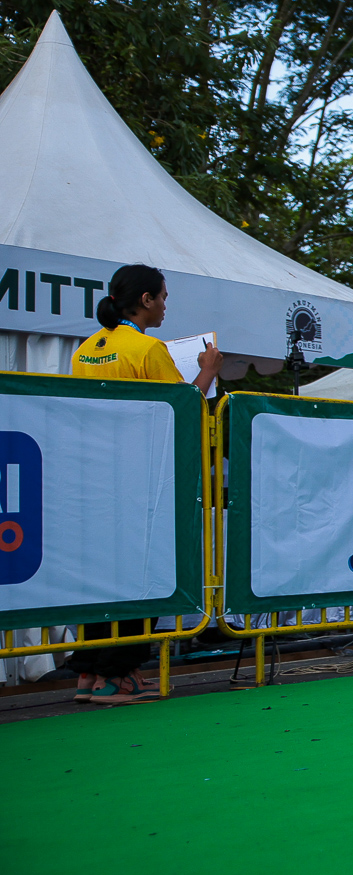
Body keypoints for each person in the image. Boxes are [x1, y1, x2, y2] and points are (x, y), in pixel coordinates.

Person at [68, 264, 222, 705]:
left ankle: (90, 673)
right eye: (163, 297)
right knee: (144, 576)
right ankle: (117, 675)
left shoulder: (85, 349)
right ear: (146, 300)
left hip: (96, 477)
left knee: (102, 575)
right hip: (142, 479)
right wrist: (208, 370)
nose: (166, 305)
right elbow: (185, 407)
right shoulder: (148, 348)